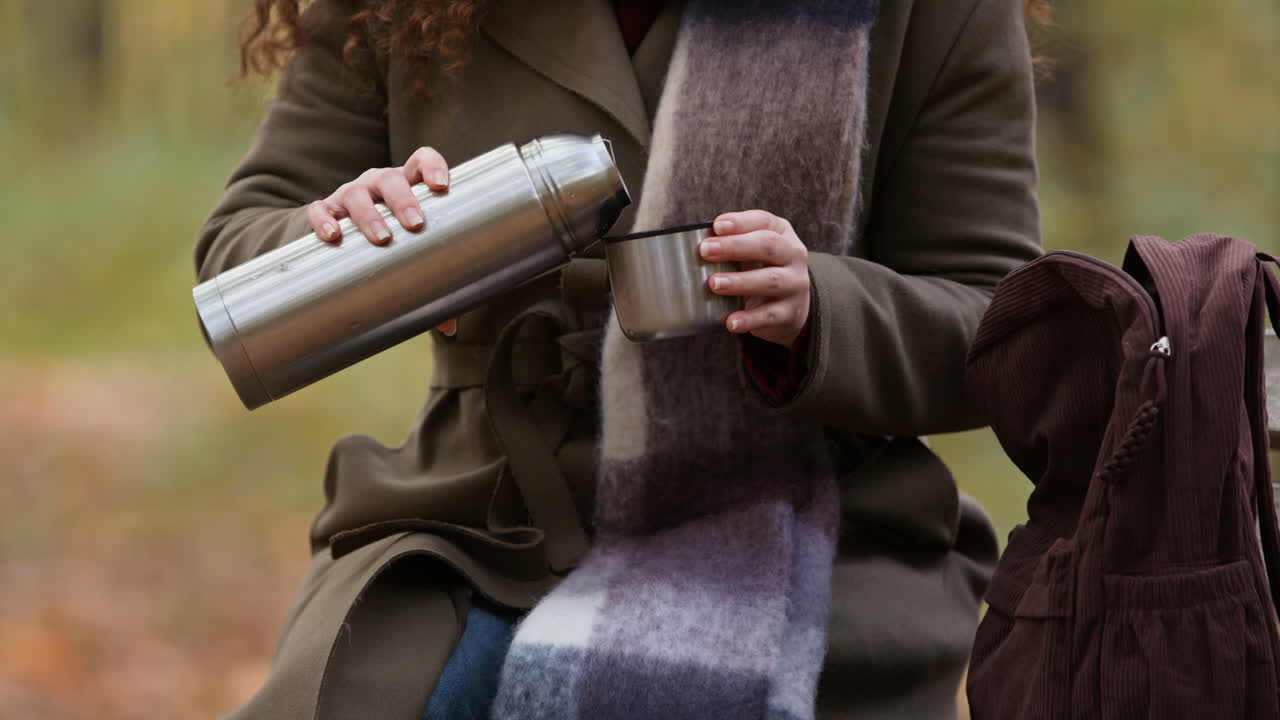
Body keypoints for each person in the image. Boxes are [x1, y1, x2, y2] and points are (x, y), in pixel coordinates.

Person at [195, 0, 1043, 717]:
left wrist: (821, 311)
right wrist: (349, 235)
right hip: (471, 521)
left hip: (813, 523)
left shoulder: (934, 13)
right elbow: (236, 258)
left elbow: (1001, 324)